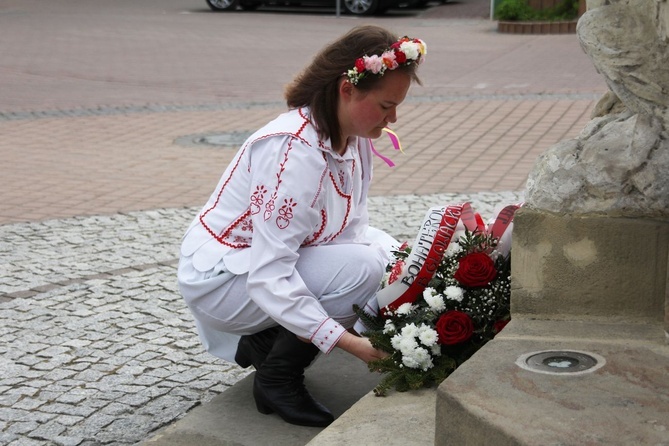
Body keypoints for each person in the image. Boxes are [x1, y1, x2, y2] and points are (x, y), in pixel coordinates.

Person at [177, 24, 426, 428]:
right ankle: (278, 377)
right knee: (364, 268)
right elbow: (269, 273)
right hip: (221, 280)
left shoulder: (354, 136)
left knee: (387, 254)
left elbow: (351, 231)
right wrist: (350, 344)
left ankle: (268, 340)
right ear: (347, 89)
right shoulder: (293, 152)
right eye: (385, 105)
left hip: (254, 270)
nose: (393, 117)